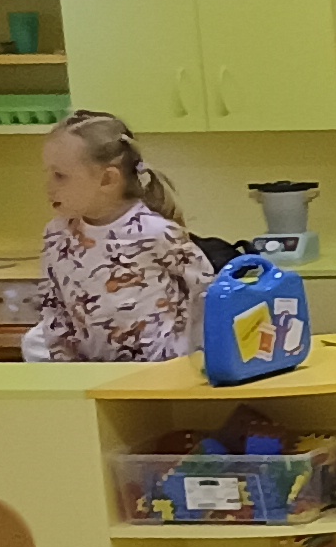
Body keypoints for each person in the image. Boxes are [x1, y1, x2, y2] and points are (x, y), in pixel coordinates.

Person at [22, 112, 212, 364]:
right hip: (93, 371)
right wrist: (66, 368)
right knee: (31, 343)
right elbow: (54, 307)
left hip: (160, 369)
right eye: (48, 173)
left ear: (108, 179)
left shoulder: (154, 232)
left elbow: (205, 291)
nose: (48, 186)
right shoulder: (57, 235)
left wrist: (198, 355)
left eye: (60, 175)